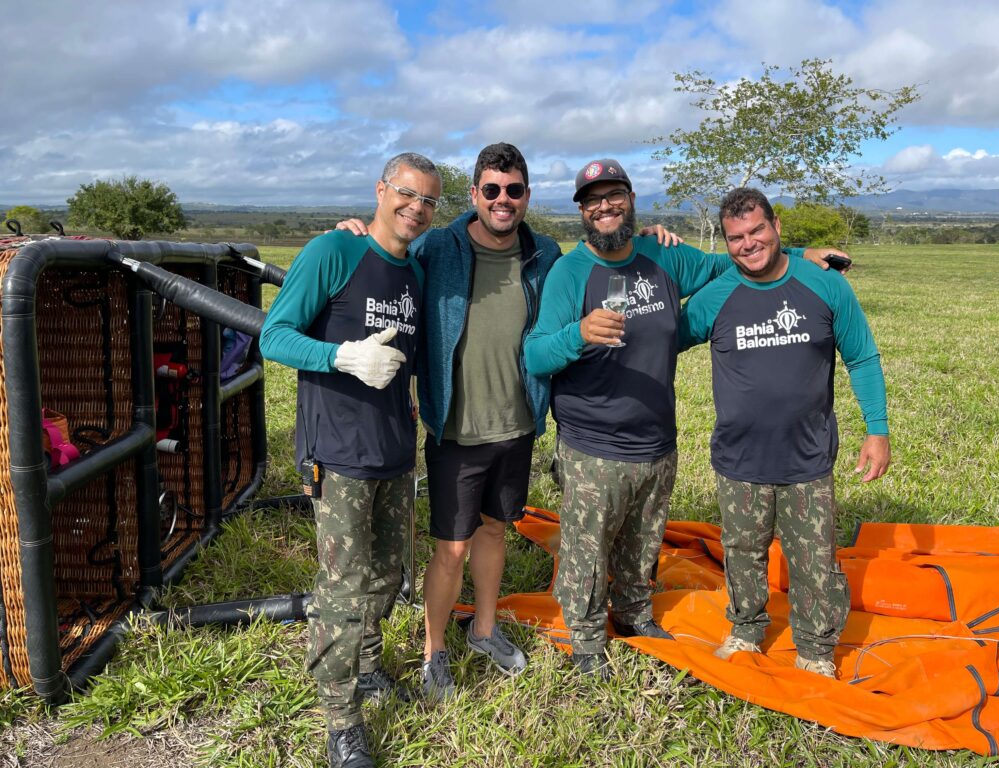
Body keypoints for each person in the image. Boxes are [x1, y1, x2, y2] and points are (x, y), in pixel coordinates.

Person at [336, 143, 683, 699]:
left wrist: (653, 239)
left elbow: (601, 256)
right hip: (456, 425)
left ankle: (485, 630)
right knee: (451, 546)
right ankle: (434, 651)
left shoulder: (543, 253)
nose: (502, 200)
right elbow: (389, 251)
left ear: (526, 197)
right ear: (474, 195)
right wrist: (357, 233)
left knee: (495, 529)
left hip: (519, 422)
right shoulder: (436, 247)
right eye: (491, 190)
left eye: (514, 190)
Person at [523, 159, 844, 677]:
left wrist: (801, 255)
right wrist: (578, 333)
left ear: (631, 199)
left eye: (614, 195)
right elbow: (535, 356)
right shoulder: (571, 271)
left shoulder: (661, 256)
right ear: (582, 211)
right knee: (587, 545)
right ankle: (585, 640)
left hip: (656, 436)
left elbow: (739, 264)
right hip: (592, 441)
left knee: (644, 540)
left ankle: (632, 614)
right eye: (592, 200)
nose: (604, 206)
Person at [260, 152, 440, 768]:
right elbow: (274, 334)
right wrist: (341, 356)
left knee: (387, 576)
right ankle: (342, 722)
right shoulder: (332, 252)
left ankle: (367, 668)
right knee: (342, 588)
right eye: (406, 194)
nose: (415, 208)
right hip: (337, 452)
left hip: (393, 449)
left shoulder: (413, 270)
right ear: (381, 190)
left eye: (428, 201)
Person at [677, 187, 890, 679]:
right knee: (743, 553)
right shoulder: (716, 296)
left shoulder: (825, 285)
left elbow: (861, 356)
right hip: (739, 458)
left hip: (808, 458)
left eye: (757, 230)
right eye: (736, 238)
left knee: (815, 562)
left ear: (776, 226)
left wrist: (877, 431)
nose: (748, 243)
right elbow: (661, 341)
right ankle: (747, 628)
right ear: (726, 242)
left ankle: (815, 649)